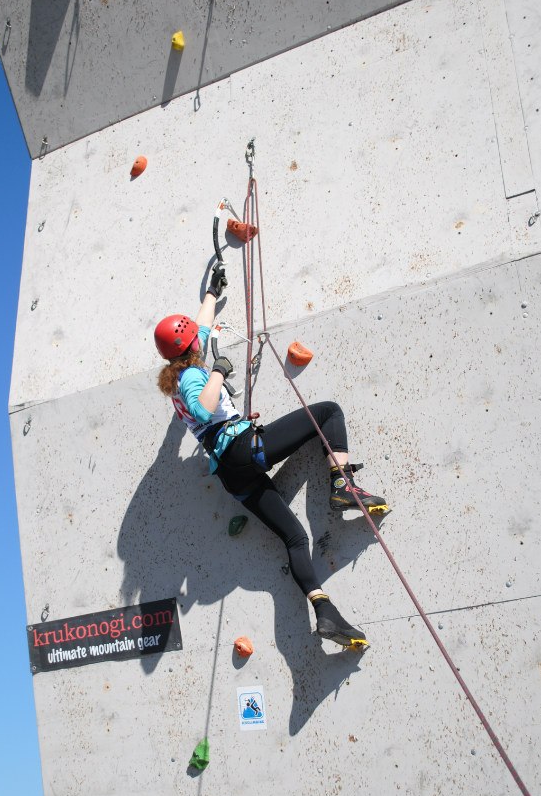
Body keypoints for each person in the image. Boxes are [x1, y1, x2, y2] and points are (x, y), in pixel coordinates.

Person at [154, 266, 388, 647]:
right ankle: (342, 485)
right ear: (190, 348)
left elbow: (198, 327)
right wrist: (217, 371)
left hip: (233, 478)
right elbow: (201, 409)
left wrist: (212, 294)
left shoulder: (177, 374)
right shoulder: (194, 378)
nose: (200, 338)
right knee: (327, 412)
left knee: (295, 537)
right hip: (242, 449)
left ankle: (325, 613)